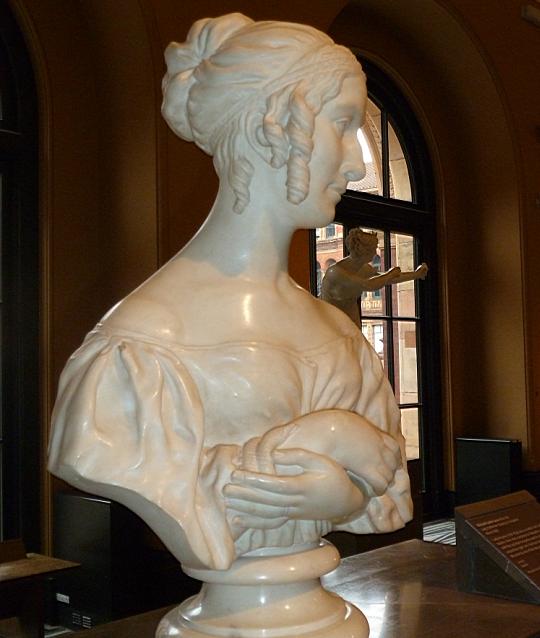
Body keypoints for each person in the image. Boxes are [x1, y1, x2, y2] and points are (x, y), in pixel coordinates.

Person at [48, 13, 412, 572]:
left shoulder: (337, 333)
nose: (358, 162)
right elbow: (122, 466)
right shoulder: (144, 341)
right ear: (269, 128)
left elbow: (386, 485)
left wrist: (347, 493)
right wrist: (329, 436)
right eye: (341, 124)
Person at [321, 228, 428, 326]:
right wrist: (389, 274)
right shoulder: (335, 272)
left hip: (351, 314)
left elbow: (387, 280)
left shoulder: (364, 268)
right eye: (373, 248)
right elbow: (368, 285)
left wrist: (416, 274)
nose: (375, 252)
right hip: (330, 317)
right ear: (363, 250)